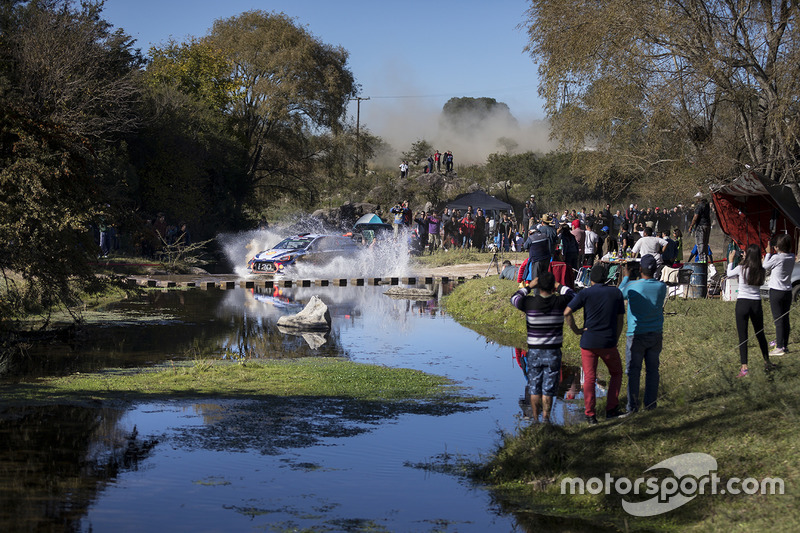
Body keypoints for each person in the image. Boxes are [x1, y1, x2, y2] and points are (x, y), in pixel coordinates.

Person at [511, 272, 577, 423]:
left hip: (534, 351)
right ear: (553, 287)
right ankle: (546, 419)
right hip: (553, 351)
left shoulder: (529, 303)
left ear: (538, 286)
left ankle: (535, 419)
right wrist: (559, 286)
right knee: (548, 387)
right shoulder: (560, 302)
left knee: (534, 386)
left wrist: (528, 286)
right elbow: (574, 295)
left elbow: (514, 298)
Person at [565, 264, 626, 424]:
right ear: (606, 278)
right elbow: (620, 319)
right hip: (608, 341)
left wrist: (577, 330)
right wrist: (616, 338)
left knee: (590, 378)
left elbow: (567, 312)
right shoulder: (616, 292)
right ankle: (611, 409)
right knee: (616, 373)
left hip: (588, 341)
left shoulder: (585, 293)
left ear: (591, 278)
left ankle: (590, 415)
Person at [619, 255, 667, 412]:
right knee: (653, 371)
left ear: (640, 269)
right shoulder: (661, 287)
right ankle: (650, 405)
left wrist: (626, 277)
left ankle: (632, 407)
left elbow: (619, 295)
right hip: (655, 333)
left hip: (636, 334)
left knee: (633, 371)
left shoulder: (632, 286)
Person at [726, 244, 774, 377]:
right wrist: (768, 254)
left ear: (748, 255)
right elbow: (767, 265)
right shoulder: (761, 269)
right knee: (760, 334)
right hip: (756, 304)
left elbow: (729, 274)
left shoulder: (741, 268)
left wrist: (730, 262)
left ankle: (744, 368)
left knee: (743, 336)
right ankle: (767, 361)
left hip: (742, 303)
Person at [764, 234, 795, 356]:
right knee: (785, 319)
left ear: (777, 247)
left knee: (778, 320)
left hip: (776, 291)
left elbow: (764, 266)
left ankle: (779, 347)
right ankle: (784, 345)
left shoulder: (777, 258)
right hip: (787, 291)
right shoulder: (791, 256)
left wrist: (767, 254)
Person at [688, 194, 712, 262]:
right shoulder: (707, 206)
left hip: (700, 226)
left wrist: (691, 226)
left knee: (700, 243)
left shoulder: (699, 206)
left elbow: (695, 217)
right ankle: (705, 258)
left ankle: (701, 259)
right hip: (707, 225)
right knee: (705, 243)